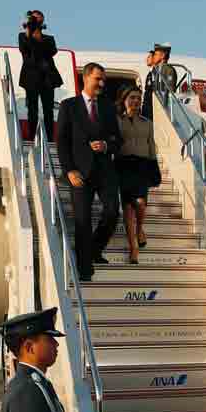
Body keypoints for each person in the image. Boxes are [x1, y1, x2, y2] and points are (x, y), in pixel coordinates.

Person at [56, 62, 122, 281]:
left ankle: (94, 248)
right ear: (85, 78)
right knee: (82, 221)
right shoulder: (69, 106)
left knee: (113, 211)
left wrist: (106, 145)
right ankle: (84, 269)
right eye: (97, 79)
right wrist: (69, 171)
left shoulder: (107, 107)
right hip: (80, 173)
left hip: (104, 172)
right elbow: (62, 142)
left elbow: (117, 140)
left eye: (103, 79)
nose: (102, 83)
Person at [114, 86, 158, 264]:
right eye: (132, 98)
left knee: (140, 203)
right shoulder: (117, 121)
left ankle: (140, 228)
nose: (135, 101)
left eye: (138, 99)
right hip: (123, 165)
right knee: (128, 208)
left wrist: (153, 167)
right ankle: (134, 248)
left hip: (142, 165)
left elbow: (151, 145)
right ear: (124, 100)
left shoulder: (147, 123)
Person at [18, 10, 62, 142]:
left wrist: (37, 36)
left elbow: (51, 51)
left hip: (47, 78)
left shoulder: (49, 39)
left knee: (48, 110)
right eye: (33, 19)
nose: (35, 21)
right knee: (32, 109)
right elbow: (24, 48)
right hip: (31, 78)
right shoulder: (22, 36)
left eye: (38, 19)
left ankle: (49, 138)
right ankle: (32, 137)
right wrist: (28, 32)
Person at [142, 42, 176, 120]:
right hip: (149, 110)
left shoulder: (168, 70)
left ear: (162, 56)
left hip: (159, 111)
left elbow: (169, 92)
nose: (154, 57)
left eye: (156, 54)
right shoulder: (154, 71)